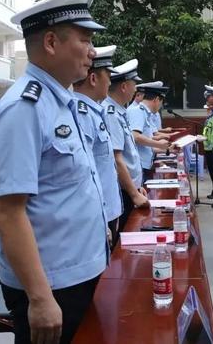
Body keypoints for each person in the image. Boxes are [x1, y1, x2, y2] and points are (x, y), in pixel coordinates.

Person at [0, 0, 109, 344]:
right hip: (53, 285)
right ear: (52, 42)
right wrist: (40, 298)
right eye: (85, 40)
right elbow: (8, 212)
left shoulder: (62, 101)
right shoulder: (23, 109)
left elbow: (71, 186)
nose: (93, 52)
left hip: (78, 272)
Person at [73, 45, 122, 244]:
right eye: (108, 76)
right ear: (93, 79)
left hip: (108, 210)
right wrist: (99, 221)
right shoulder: (81, 114)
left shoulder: (94, 112)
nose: (110, 82)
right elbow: (85, 175)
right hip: (98, 217)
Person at [102, 59, 150, 230]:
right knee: (124, 241)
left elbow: (130, 156)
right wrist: (133, 193)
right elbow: (117, 158)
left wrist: (137, 187)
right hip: (123, 191)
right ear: (124, 87)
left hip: (130, 189)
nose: (136, 90)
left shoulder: (120, 112)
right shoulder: (111, 113)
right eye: (133, 84)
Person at [127, 83, 172, 182]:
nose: (160, 106)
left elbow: (147, 142)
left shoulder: (145, 113)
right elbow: (136, 136)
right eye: (161, 102)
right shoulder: (137, 111)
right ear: (156, 100)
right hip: (138, 165)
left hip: (144, 164)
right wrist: (159, 144)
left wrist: (168, 148)